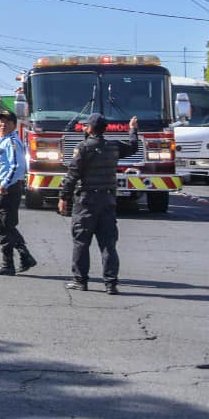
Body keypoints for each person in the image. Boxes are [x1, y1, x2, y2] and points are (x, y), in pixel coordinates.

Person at [58, 113, 141, 294]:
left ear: (90, 128)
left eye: (86, 126)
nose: (84, 129)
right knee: (108, 244)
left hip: (86, 202)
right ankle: (111, 283)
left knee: (81, 242)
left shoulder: (84, 148)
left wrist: (63, 197)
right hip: (108, 201)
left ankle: (80, 280)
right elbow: (133, 147)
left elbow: (72, 175)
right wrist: (132, 129)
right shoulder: (114, 147)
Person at [0, 108, 37, 276]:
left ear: (13, 125)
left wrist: (6, 183)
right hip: (8, 186)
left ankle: (8, 264)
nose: (2, 125)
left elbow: (17, 165)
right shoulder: (6, 141)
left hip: (9, 187)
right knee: (7, 224)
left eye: (6, 122)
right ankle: (25, 257)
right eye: (0, 122)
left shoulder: (12, 142)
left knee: (2, 226)